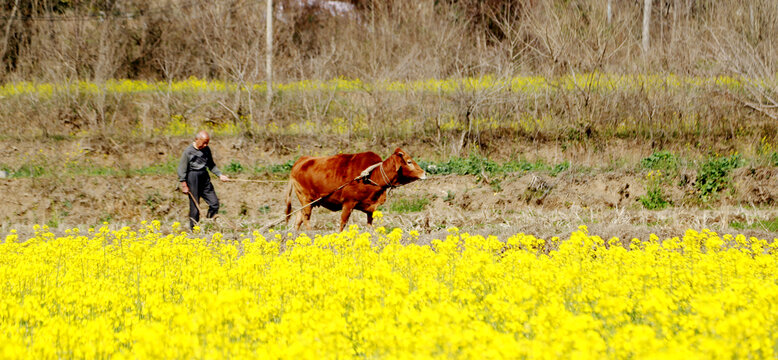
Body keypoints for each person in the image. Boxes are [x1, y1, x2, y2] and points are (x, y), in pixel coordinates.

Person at [177, 130, 229, 229]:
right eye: (204, 142)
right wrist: (184, 184)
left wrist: (220, 175)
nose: (205, 145)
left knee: (214, 203)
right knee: (195, 208)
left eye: (207, 143)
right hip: (192, 177)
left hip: (204, 176)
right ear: (197, 140)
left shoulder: (206, 149)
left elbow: (211, 165)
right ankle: (194, 230)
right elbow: (182, 168)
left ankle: (210, 224)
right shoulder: (188, 151)